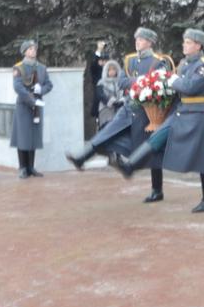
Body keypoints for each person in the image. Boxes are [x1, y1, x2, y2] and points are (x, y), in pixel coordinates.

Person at [112, 28, 204, 213]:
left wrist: (173, 80)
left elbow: (190, 87)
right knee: (156, 137)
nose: (184, 45)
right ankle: (130, 165)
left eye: (188, 42)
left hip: (198, 113)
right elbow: (176, 89)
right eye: (184, 41)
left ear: (198, 45)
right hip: (180, 111)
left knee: (203, 157)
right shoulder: (184, 64)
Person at [66, 28, 174, 202]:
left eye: (141, 39)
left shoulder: (158, 61)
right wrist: (142, 80)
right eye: (136, 38)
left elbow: (161, 82)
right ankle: (82, 157)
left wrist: (144, 82)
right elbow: (122, 81)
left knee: (151, 149)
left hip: (147, 110)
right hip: (128, 107)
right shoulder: (129, 60)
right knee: (107, 132)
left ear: (150, 42)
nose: (137, 41)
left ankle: (157, 189)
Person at [11, 40, 53, 178]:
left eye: (34, 49)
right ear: (24, 52)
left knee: (33, 136)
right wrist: (31, 99)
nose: (33, 51)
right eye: (30, 49)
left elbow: (49, 84)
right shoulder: (19, 68)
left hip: (37, 106)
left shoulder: (41, 68)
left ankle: (31, 167)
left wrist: (41, 90)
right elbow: (18, 87)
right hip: (24, 106)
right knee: (23, 137)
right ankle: (22, 167)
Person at [95, 59, 126, 129]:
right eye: (109, 70)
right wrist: (112, 102)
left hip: (119, 109)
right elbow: (100, 95)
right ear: (106, 71)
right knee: (106, 128)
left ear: (117, 71)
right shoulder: (101, 82)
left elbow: (125, 93)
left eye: (113, 70)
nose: (112, 72)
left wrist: (121, 101)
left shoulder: (121, 82)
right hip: (105, 109)